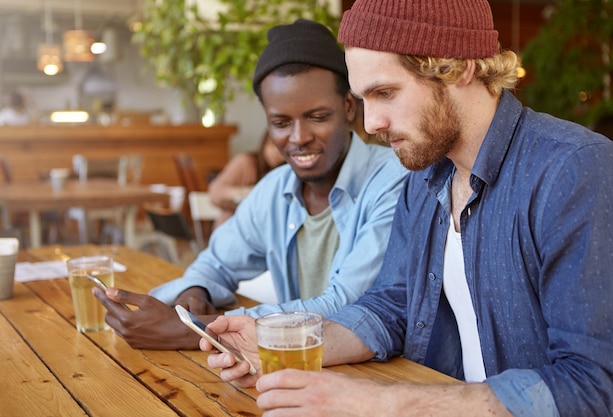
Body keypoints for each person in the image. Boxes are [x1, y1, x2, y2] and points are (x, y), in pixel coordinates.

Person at [203, 1, 613, 416]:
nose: (370, 124)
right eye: (363, 100)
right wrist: (284, 343)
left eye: (385, 93)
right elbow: (393, 308)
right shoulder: (424, 182)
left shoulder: (576, 172)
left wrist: (376, 403)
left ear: (458, 67)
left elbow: (596, 386)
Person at [93, 19, 407, 351]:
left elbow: (347, 306)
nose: (299, 138)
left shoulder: (393, 181)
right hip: (296, 370)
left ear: (348, 106)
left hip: (381, 375)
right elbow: (215, 261)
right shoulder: (274, 190)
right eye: (281, 123)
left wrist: (199, 331)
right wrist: (193, 296)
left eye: (317, 117)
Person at [208, 131, 285, 228]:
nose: (276, 152)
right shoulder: (246, 162)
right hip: (232, 227)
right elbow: (215, 192)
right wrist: (250, 192)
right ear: (264, 144)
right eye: (272, 146)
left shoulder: (287, 173)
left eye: (281, 148)